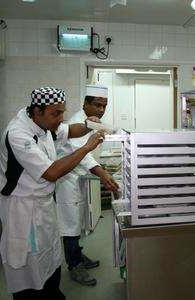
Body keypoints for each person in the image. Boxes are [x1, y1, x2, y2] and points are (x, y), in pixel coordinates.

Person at [0, 87, 106, 299]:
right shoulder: (19, 134)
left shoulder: (43, 124)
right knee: (28, 263)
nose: (60, 119)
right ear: (37, 111)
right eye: (56, 113)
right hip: (23, 209)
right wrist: (86, 148)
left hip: (42, 205)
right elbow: (51, 172)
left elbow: (70, 131)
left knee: (50, 256)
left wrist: (88, 124)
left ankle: (52, 292)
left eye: (62, 112)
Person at [56, 85, 119, 286]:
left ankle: (78, 256)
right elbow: (81, 154)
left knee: (79, 219)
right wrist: (102, 173)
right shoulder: (76, 121)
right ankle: (74, 265)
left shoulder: (93, 122)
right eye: (97, 105)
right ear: (85, 104)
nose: (101, 109)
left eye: (104, 106)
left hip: (78, 178)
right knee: (70, 223)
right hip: (67, 179)